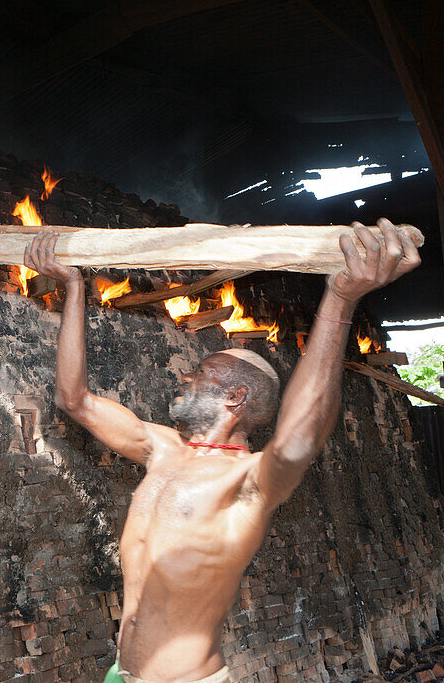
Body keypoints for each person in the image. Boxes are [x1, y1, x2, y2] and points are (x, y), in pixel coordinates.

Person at [23, 220, 421, 683]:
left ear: (235, 397)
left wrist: (340, 299)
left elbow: (297, 440)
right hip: (121, 674)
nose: (186, 376)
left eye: (203, 371)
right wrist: (73, 286)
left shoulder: (249, 481)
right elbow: (75, 399)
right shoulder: (162, 449)